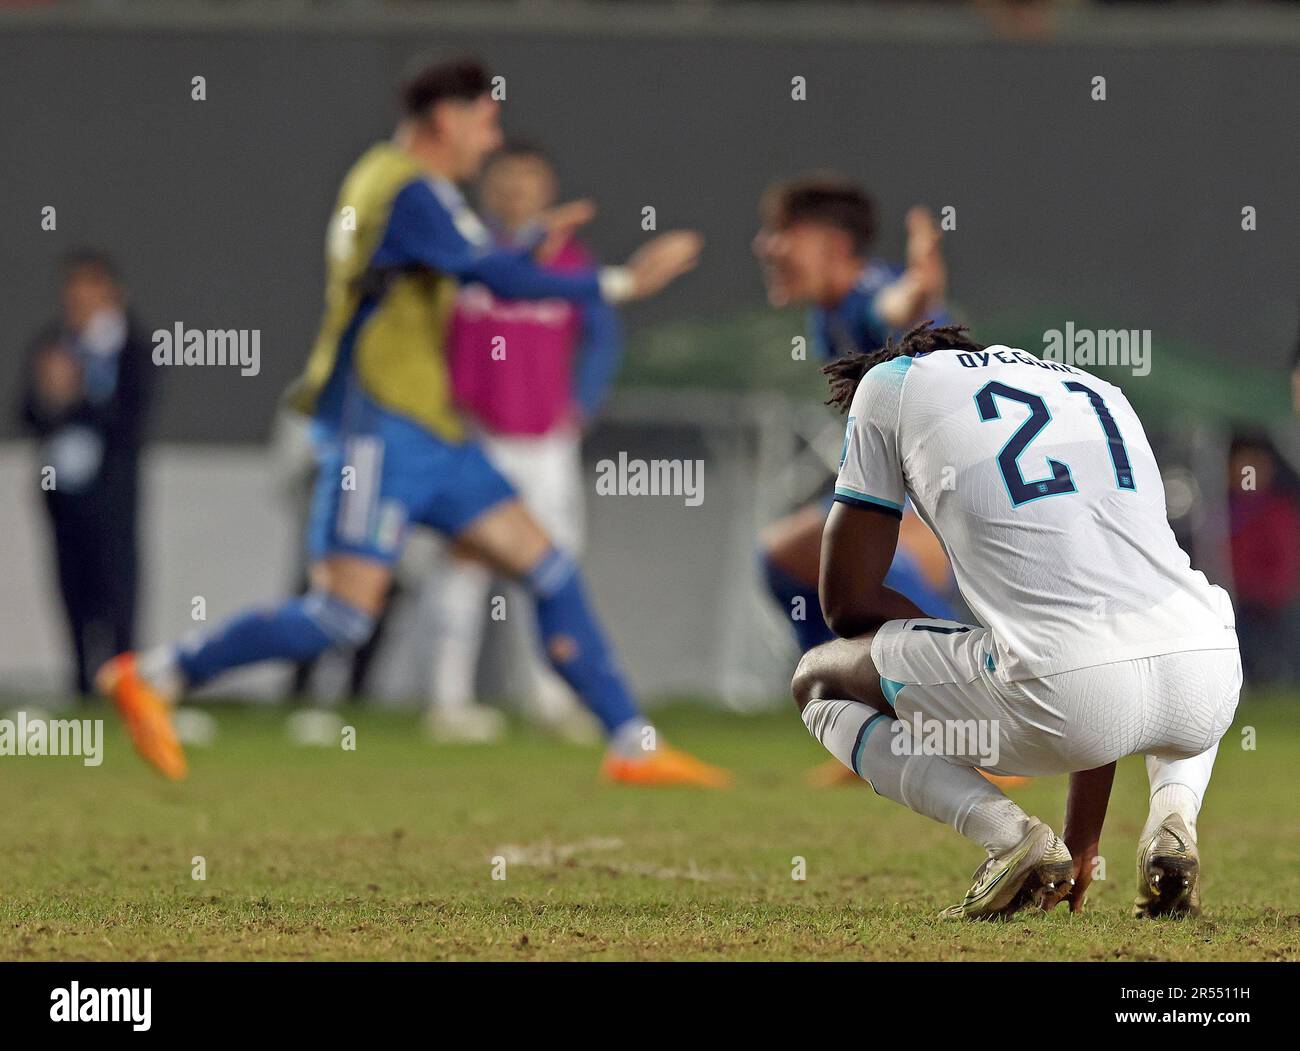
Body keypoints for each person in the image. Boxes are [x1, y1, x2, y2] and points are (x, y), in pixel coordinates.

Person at [98, 56, 729, 789]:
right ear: (445, 119)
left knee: (548, 565)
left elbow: (463, 262)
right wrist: (620, 281)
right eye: (485, 122)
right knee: (340, 617)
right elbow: (486, 276)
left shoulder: (410, 190)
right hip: (377, 426)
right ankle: (155, 674)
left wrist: (525, 246)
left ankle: (633, 743)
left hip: (428, 429)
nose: (490, 142)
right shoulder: (403, 187)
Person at [794, 322, 1240, 919]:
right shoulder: (1096, 386)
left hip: (1067, 693)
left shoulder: (893, 382)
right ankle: (1174, 816)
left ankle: (1010, 837)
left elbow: (843, 603)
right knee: (1161, 628)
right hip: (1209, 675)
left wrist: (962, 645)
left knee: (818, 679)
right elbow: (1104, 622)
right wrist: (1083, 838)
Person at [423, 141, 621, 744]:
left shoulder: (568, 263)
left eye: (530, 181)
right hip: (475, 435)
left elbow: (604, 335)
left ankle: (551, 695)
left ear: (547, 190)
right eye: (506, 180)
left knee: (553, 564)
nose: (516, 192)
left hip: (546, 443)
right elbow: (426, 336)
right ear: (488, 186)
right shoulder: (468, 259)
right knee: (464, 565)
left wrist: (581, 403)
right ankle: (447, 701)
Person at [753, 176, 956, 655]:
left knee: (861, 562)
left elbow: (898, 306)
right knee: (787, 557)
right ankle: (842, 685)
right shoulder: (828, 313)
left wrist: (919, 292)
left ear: (834, 245)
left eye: (783, 231)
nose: (766, 245)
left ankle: (962, 678)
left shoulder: (869, 292)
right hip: (904, 487)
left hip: (939, 491)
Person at [21, 251, 154, 697]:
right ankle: (81, 684)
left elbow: (132, 418)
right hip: (61, 491)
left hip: (112, 493)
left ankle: (125, 687)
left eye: (89, 288)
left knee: (117, 589)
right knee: (71, 587)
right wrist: (49, 398)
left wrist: (76, 395)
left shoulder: (133, 347)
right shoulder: (53, 344)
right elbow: (25, 413)